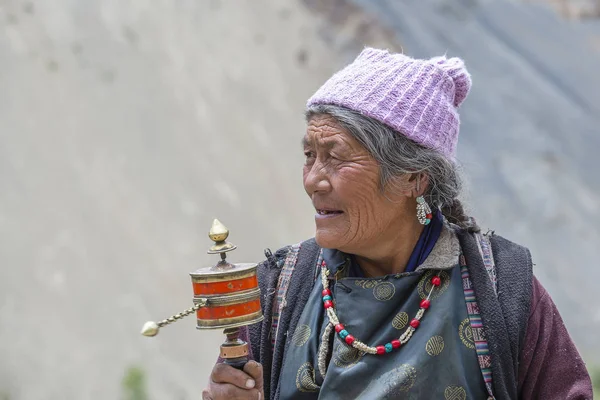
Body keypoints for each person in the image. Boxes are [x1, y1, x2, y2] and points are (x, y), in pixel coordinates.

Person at [202, 48, 593, 400]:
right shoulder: (283, 289)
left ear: (413, 177)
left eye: (335, 157)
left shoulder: (498, 287)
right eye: (309, 154)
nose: (312, 180)